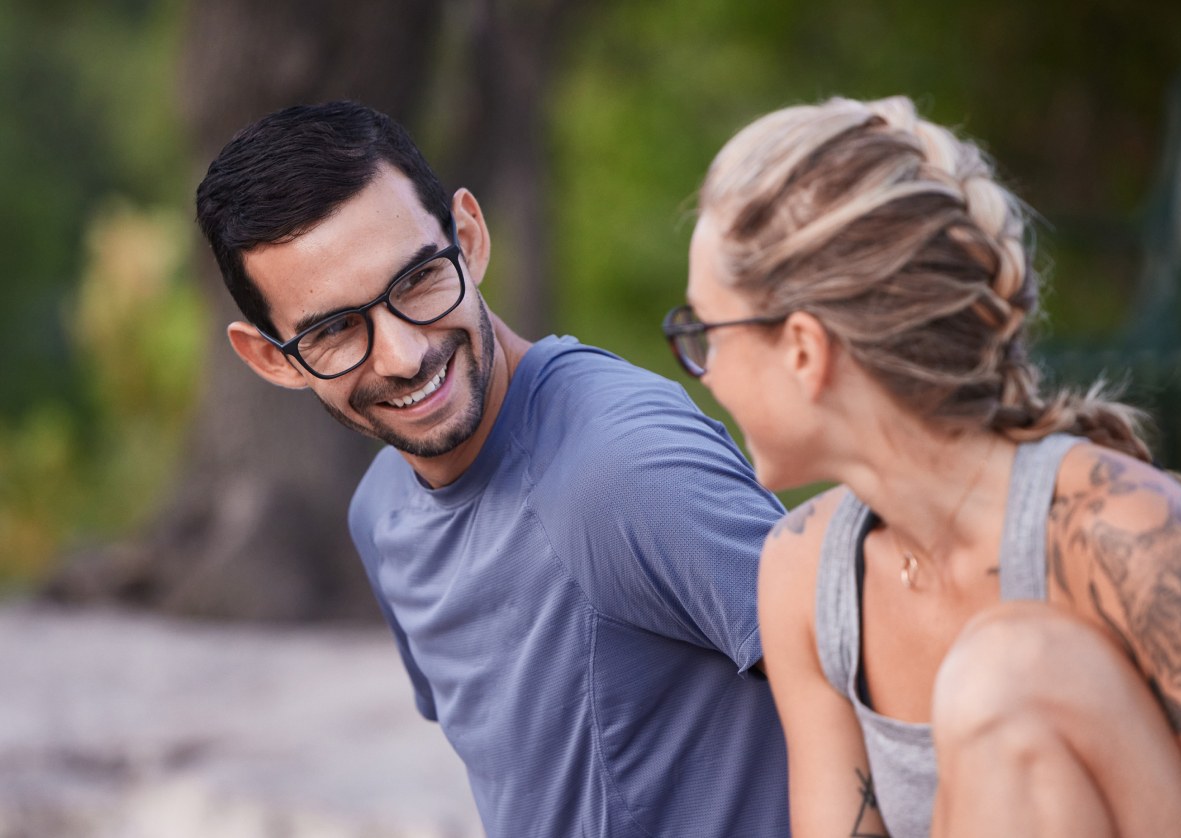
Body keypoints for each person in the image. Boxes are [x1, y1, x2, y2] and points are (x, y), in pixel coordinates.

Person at [195, 101, 789, 838]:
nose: (405, 356)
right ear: (269, 360)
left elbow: (888, 703)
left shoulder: (625, 464)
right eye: (334, 329)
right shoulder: (380, 512)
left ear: (468, 240)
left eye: (416, 281)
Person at [665, 95, 1181, 837]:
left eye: (706, 332)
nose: (708, 373)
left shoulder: (1123, 533)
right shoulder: (803, 573)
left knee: (1006, 670)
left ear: (802, 349)